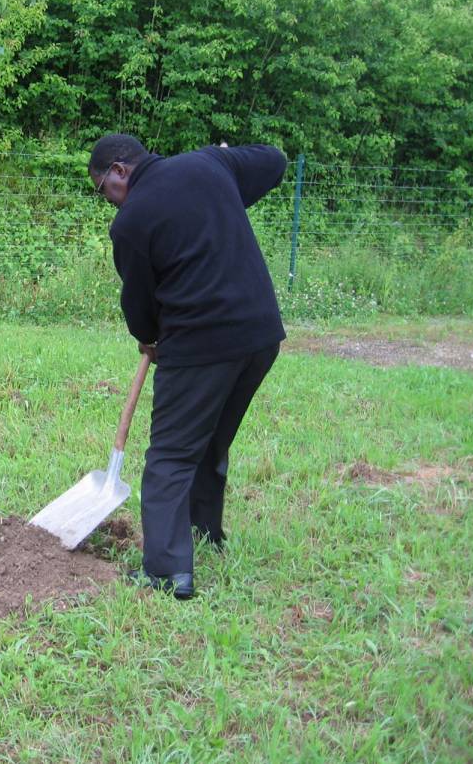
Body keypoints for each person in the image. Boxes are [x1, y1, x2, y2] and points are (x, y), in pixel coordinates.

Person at [88, 134, 287, 599]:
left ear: (119, 171)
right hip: (259, 337)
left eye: (104, 191)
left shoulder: (131, 221)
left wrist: (147, 338)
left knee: (170, 456)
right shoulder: (209, 166)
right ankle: (204, 533)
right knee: (212, 440)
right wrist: (223, 158)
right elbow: (274, 161)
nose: (109, 203)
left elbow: (138, 303)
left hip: (200, 345)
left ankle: (166, 570)